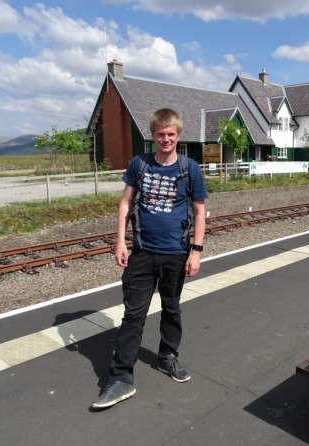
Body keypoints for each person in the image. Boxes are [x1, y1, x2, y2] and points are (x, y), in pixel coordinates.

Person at [92, 108, 208, 409]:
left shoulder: (189, 168)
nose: (165, 139)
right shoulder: (139, 164)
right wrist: (120, 241)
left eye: (171, 134)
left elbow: (198, 211)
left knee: (171, 308)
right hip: (142, 253)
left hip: (177, 254)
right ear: (152, 135)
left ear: (178, 135)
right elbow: (126, 203)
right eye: (160, 134)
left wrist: (196, 251)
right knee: (133, 314)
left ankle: (167, 356)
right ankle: (120, 378)